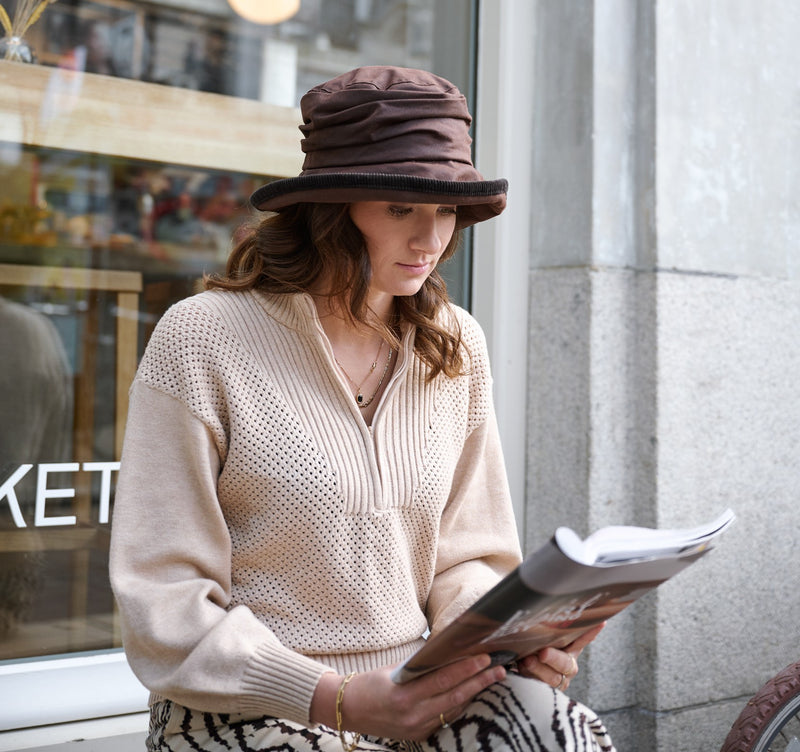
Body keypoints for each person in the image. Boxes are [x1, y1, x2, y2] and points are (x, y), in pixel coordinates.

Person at [109, 66, 616, 752]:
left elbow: (469, 557)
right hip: (248, 705)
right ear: (331, 208)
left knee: (564, 731)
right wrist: (336, 699)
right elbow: (163, 595)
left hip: (417, 688)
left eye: (446, 210)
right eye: (401, 208)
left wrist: (508, 644)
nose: (430, 240)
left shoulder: (456, 342)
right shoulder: (203, 337)